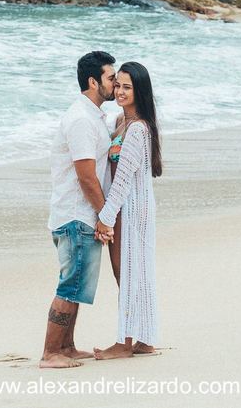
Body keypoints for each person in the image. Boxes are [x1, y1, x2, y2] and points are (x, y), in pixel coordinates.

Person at [40, 51, 117, 369]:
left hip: (78, 213)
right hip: (76, 214)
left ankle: (67, 346)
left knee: (78, 283)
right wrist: (104, 215)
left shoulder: (94, 116)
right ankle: (50, 352)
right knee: (71, 284)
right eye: (111, 78)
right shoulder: (82, 120)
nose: (115, 83)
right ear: (93, 81)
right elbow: (86, 176)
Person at [93, 61, 162, 359]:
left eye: (127, 87)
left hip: (132, 210)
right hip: (130, 208)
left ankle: (125, 343)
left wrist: (105, 218)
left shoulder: (138, 130)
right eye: (117, 85)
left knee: (129, 273)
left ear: (139, 91)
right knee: (136, 274)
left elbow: (121, 180)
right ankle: (145, 339)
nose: (120, 92)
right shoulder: (121, 121)